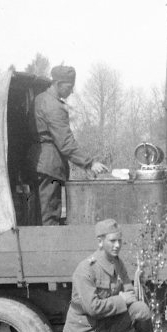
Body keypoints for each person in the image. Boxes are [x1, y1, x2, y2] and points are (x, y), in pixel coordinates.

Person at [30, 65, 108, 225]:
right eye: (69, 87)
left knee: (39, 215)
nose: (72, 92)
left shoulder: (40, 99)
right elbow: (65, 142)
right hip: (50, 166)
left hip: (38, 162)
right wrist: (89, 163)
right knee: (50, 217)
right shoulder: (54, 106)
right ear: (58, 84)